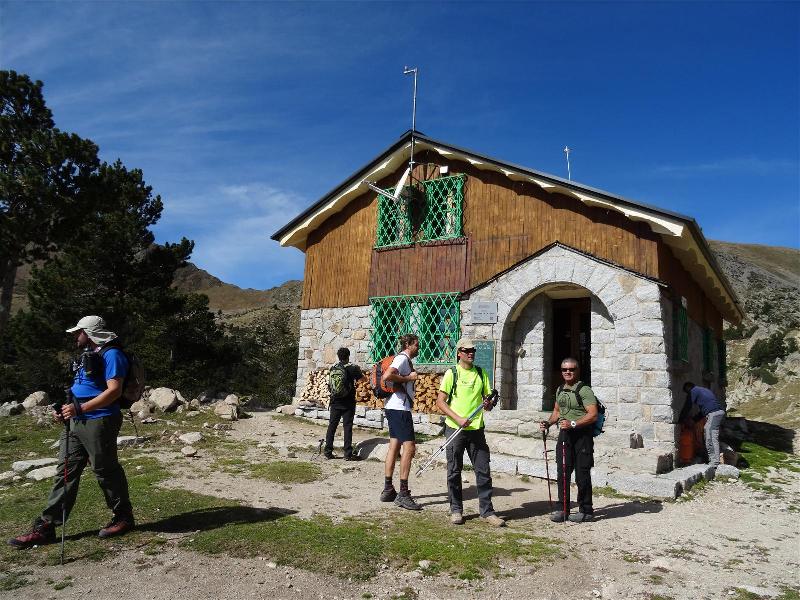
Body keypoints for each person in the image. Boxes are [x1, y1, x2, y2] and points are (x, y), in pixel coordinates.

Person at [9, 316, 135, 549]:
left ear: (89, 332)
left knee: (104, 470)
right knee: (65, 471)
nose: (74, 336)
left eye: (78, 332)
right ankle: (47, 526)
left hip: (100, 420)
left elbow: (115, 391)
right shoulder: (88, 355)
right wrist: (66, 410)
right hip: (76, 421)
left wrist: (81, 408)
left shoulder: (112, 354)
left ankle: (123, 517)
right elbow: (83, 388)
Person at [435, 338, 505, 527]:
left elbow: (488, 404)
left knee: (483, 470)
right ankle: (456, 510)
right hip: (455, 429)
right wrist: (457, 418)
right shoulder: (452, 373)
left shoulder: (481, 373)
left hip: (476, 430)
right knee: (454, 470)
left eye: (473, 350)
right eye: (466, 350)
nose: (471, 353)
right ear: (459, 353)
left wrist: (489, 403)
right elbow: (440, 401)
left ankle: (487, 511)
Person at [539, 357, 598, 523]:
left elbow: (592, 414)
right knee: (562, 473)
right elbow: (557, 411)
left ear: (577, 371)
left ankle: (586, 511)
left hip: (582, 436)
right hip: (565, 435)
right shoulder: (560, 390)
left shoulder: (584, 390)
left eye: (571, 369)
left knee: (582, 474)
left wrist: (573, 423)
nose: (567, 372)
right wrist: (548, 423)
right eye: (565, 369)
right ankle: (562, 509)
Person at [380, 333, 421, 510]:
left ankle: (388, 488)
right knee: (409, 447)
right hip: (400, 409)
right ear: (409, 345)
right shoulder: (403, 359)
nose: (418, 348)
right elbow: (387, 376)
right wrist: (408, 378)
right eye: (416, 345)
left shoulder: (402, 359)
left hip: (392, 407)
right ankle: (403, 493)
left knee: (394, 446)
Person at [324, 347, 364, 460]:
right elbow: (363, 379)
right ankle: (347, 453)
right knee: (347, 427)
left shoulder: (333, 368)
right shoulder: (352, 368)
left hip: (335, 402)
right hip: (348, 403)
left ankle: (328, 451)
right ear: (348, 356)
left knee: (332, 426)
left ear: (338, 356)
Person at [681, 382, 726, 468]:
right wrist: (694, 420)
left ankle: (714, 463)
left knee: (711, 436)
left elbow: (687, 406)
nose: (688, 394)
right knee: (708, 433)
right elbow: (703, 411)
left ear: (688, 388)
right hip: (716, 412)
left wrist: (680, 419)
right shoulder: (703, 391)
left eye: (687, 392)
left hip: (714, 413)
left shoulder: (694, 391)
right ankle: (712, 460)